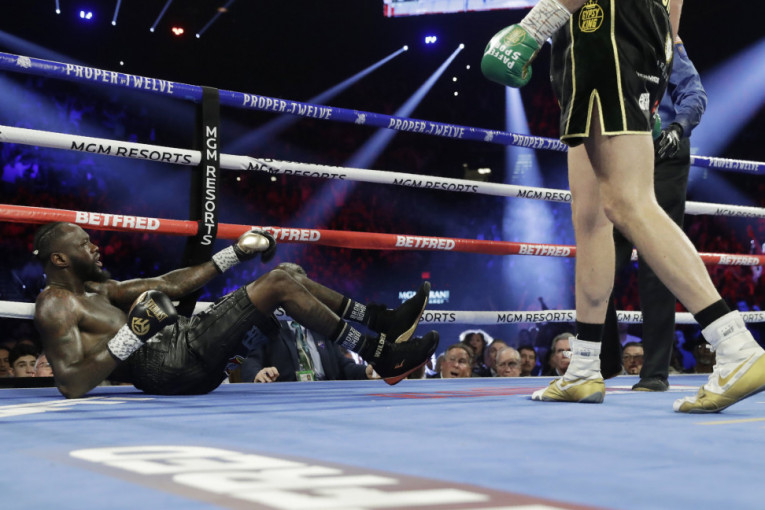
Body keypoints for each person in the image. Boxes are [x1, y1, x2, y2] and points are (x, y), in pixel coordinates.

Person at [482, 0, 765, 412]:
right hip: (615, 38)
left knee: (629, 203)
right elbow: (671, 17)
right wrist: (658, 70)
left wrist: (533, 27)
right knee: (590, 218)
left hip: (603, 32)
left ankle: (736, 346)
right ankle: (583, 368)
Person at [32, 222, 439, 398]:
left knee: (288, 273)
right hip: (169, 366)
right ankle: (380, 355)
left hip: (185, 347)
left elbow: (172, 285)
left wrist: (236, 252)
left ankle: (382, 322)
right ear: (59, 259)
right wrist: (131, 334)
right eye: (83, 244)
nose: (95, 247)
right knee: (277, 283)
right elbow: (71, 384)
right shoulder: (55, 304)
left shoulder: (100, 289)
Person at [601, 38, 708, 391]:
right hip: (616, 149)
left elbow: (694, 93)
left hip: (664, 152)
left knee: (657, 260)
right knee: (601, 257)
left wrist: (678, 128)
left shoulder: (662, 37)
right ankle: (606, 358)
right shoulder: (598, 34)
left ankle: (656, 371)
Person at [240, 316, 377, 382]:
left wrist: (365, 371)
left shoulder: (322, 328)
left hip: (328, 395)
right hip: (287, 398)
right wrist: (257, 375)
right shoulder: (267, 328)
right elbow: (251, 361)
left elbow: (342, 365)